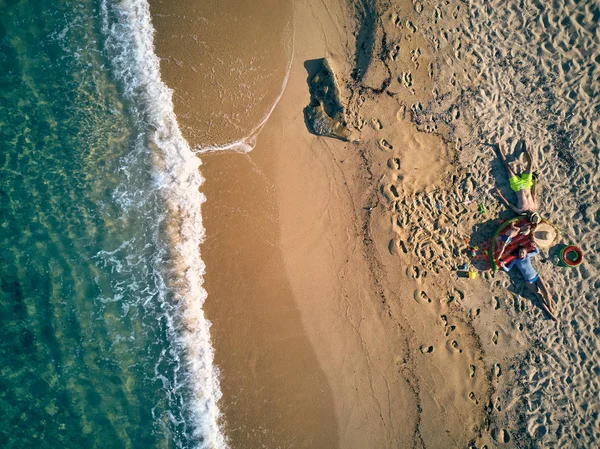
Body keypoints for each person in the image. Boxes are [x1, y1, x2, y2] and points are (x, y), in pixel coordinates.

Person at [499, 243, 557, 321]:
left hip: (536, 276)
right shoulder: (516, 261)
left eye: (523, 252)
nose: (521, 254)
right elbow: (508, 269)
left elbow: (536, 252)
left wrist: (535, 246)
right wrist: (503, 266)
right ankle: (550, 314)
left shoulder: (528, 256)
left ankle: (550, 307)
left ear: (526, 253)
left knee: (546, 292)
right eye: (520, 252)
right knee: (539, 296)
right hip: (529, 281)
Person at [494, 139, 540, 218]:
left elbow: (509, 204)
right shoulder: (534, 206)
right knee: (530, 164)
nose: (530, 214)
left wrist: (499, 194)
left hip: (517, 186)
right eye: (532, 214)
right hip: (527, 183)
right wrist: (534, 182)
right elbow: (534, 194)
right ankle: (525, 150)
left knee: (507, 168)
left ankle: (499, 149)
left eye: (530, 216)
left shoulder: (520, 210)